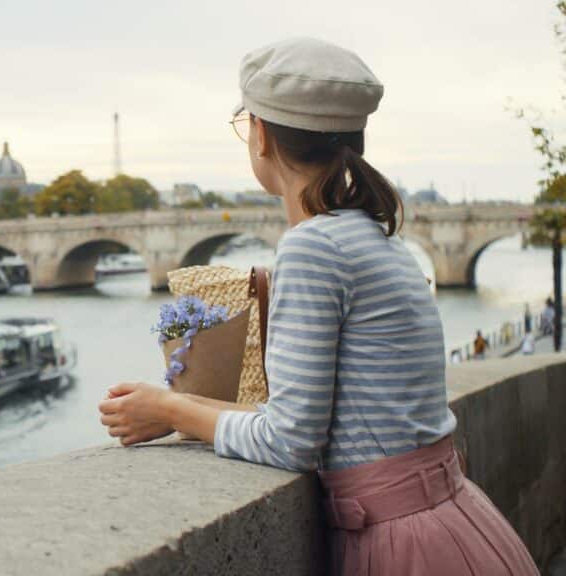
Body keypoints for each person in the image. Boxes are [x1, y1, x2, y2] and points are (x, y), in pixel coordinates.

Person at [98, 38, 538, 575]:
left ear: (260, 135)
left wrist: (168, 407)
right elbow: (310, 420)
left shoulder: (313, 247)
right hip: (451, 521)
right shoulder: (375, 236)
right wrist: (183, 419)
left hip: (399, 544)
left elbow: (290, 442)